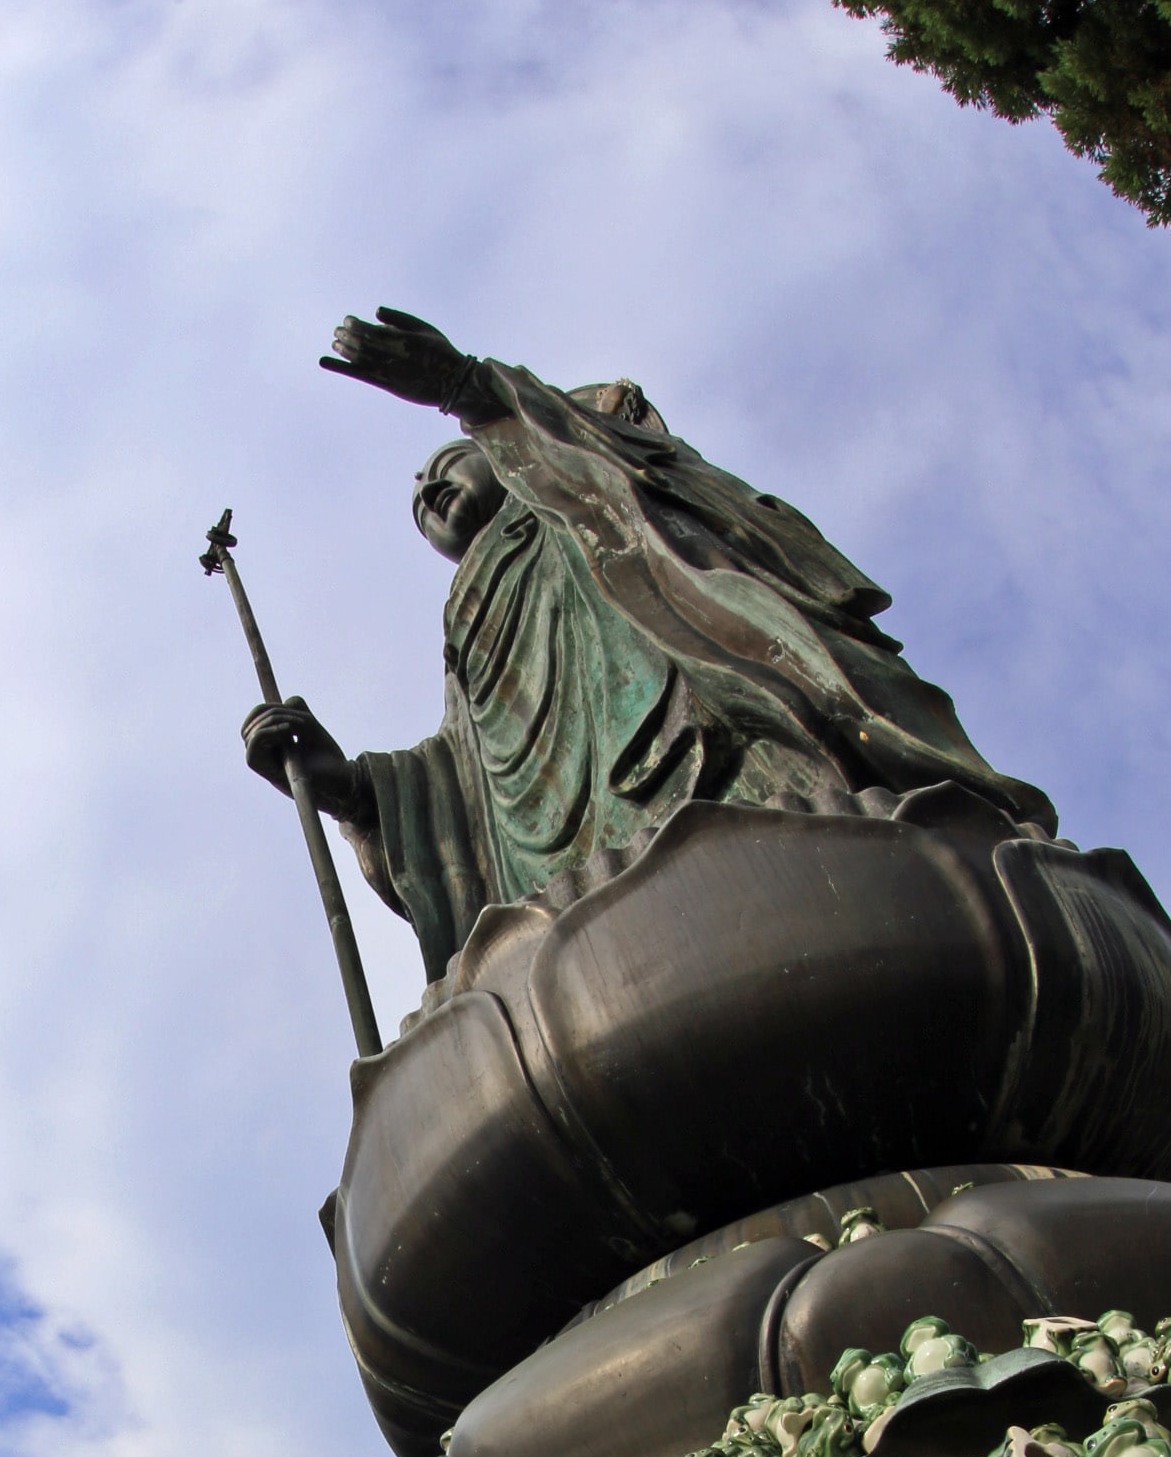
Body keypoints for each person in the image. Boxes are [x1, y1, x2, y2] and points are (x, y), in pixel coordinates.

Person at [243, 309, 1055, 988]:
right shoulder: (463, 620)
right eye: (419, 507)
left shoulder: (566, 482)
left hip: (688, 738)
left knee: (793, 879)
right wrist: (354, 792)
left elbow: (616, 462)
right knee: (561, 979)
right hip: (567, 885)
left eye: (443, 469)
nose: (429, 494)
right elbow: (466, 772)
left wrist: (468, 389)